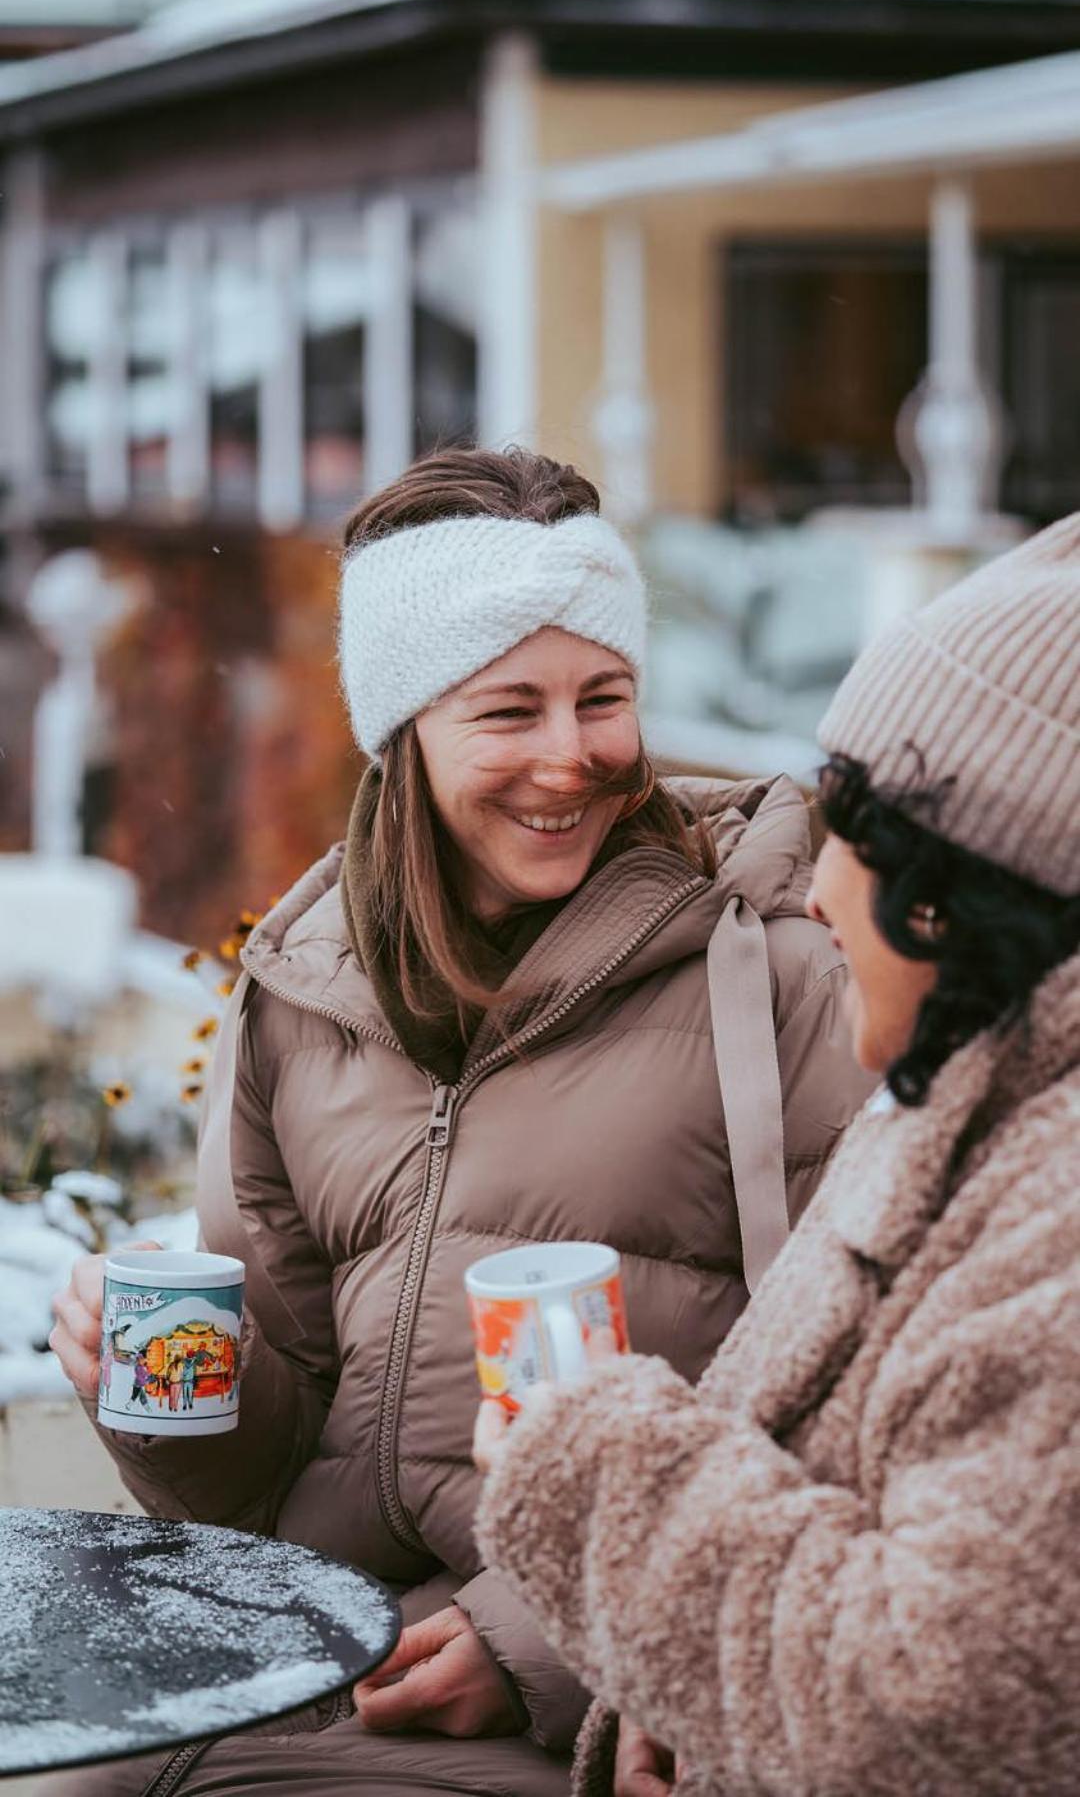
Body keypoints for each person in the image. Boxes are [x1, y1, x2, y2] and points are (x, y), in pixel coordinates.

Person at [48, 446, 869, 1797]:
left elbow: (841, 1400)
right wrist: (154, 1398)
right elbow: (270, 1472)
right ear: (404, 726)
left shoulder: (773, 968)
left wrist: (541, 1640)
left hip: (597, 1691)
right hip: (321, 1645)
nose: (572, 755)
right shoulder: (300, 992)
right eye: (510, 709)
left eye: (603, 696)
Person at [474, 513, 1080, 1797]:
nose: (817, 889)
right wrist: (693, 1705)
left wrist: (593, 1466)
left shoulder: (1054, 1201)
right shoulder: (959, 1098)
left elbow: (943, 1711)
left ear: (964, 881)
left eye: (853, 828)